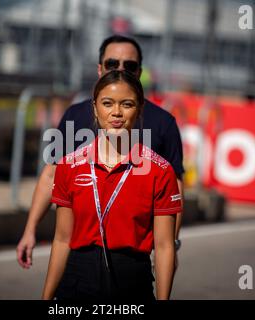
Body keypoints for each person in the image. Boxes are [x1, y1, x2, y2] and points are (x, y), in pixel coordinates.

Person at [17, 35, 184, 270]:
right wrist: (30, 230)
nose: (121, 69)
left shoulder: (163, 122)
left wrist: (170, 243)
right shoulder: (75, 115)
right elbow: (50, 175)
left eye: (130, 65)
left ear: (140, 71)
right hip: (78, 250)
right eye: (112, 64)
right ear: (99, 69)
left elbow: (174, 186)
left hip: (132, 256)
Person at [42, 70, 182, 300]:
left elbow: (165, 246)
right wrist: (46, 298)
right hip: (77, 279)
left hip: (132, 280)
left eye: (127, 104)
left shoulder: (161, 170)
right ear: (95, 109)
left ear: (139, 110)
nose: (116, 112)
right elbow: (62, 239)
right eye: (107, 103)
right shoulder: (69, 165)